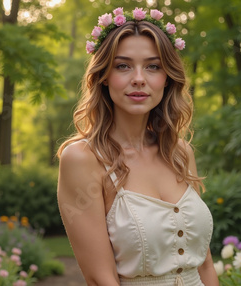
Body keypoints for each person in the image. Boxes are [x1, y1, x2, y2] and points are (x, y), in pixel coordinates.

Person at [57, 7, 219, 286]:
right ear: (104, 76)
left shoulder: (180, 152)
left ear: (167, 77)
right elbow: (100, 278)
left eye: (153, 66)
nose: (139, 78)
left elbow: (204, 263)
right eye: (123, 66)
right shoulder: (83, 159)